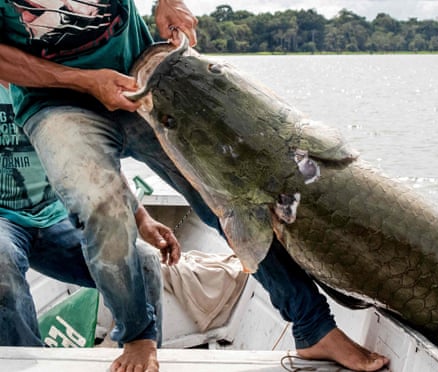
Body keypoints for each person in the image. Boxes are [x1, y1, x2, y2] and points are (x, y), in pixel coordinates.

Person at [0, 1, 389, 371]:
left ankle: (313, 328)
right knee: (100, 206)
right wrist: (83, 81)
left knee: (227, 198)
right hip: (53, 101)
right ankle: (137, 336)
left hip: (141, 75)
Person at [0, 80, 181, 369]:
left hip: (58, 216)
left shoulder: (49, 86)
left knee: (144, 260)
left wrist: (143, 219)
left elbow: (95, 164)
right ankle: (24, 363)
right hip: (4, 223)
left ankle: (141, 358)